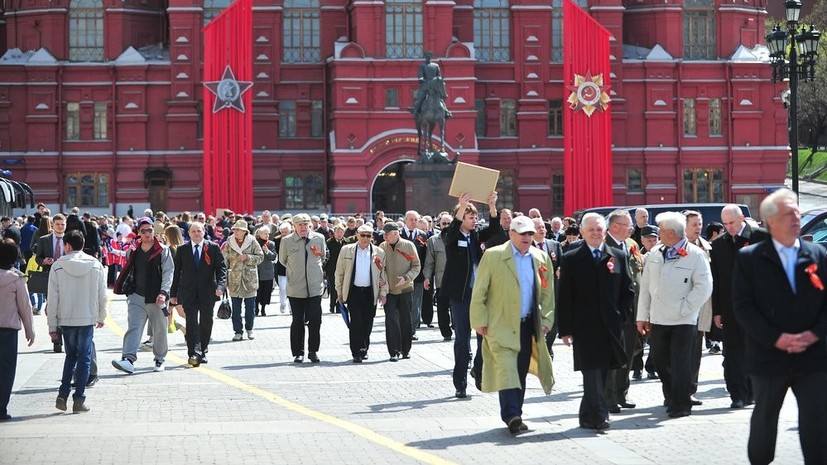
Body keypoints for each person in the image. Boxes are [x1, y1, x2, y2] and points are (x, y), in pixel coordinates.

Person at [732, 188, 827, 465]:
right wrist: (776, 338)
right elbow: (743, 307)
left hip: (813, 355)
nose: (796, 218)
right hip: (769, 355)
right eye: (789, 214)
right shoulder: (750, 258)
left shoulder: (818, 254)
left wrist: (815, 334)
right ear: (771, 221)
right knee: (764, 419)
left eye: (797, 212)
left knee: (818, 421)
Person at [470, 215, 555, 435]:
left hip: (528, 325)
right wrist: (479, 320)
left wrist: (546, 319)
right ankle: (511, 415)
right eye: (522, 233)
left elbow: (547, 293)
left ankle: (516, 410)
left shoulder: (541, 258)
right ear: (511, 234)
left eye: (530, 233)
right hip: (500, 324)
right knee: (507, 369)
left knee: (520, 370)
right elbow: (480, 290)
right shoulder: (494, 256)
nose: (527, 237)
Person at [558, 213, 634, 431]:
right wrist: (565, 329)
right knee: (590, 370)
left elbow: (627, 290)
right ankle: (601, 415)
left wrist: (621, 314)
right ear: (581, 232)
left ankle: (586, 415)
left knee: (602, 371)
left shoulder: (618, 255)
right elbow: (565, 296)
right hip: (585, 327)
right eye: (591, 229)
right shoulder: (572, 258)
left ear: (606, 231)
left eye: (599, 229)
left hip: (611, 326)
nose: (596, 233)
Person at [636, 212, 712, 418]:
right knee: (660, 360)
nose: (658, 234)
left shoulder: (696, 255)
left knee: (681, 363)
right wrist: (642, 316)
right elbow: (645, 288)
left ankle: (681, 403)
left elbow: (704, 287)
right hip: (658, 318)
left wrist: (685, 308)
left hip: (683, 320)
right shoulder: (655, 254)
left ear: (670, 233)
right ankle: (672, 394)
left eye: (660, 230)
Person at [442, 192, 501, 397]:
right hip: (460, 295)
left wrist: (493, 207)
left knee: (483, 337)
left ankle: (478, 368)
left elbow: (495, 229)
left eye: (475, 217)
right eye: (470, 217)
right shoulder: (451, 236)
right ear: (461, 218)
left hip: (479, 295)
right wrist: (461, 207)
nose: (474, 221)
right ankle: (460, 383)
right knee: (462, 339)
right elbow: (449, 233)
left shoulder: (476, 235)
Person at [710, 204, 769, 409]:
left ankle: (754, 391)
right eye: (725, 224)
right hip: (730, 307)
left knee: (754, 349)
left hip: (757, 307)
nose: (729, 228)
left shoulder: (760, 237)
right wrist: (717, 311)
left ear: (742, 218)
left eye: (732, 223)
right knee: (733, 353)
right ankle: (737, 393)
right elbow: (716, 280)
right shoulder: (718, 245)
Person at [47, 230, 107, 413]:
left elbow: (53, 299)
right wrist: (101, 316)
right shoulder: (95, 264)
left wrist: (52, 325)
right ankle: (79, 399)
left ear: (67, 245)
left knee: (70, 356)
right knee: (84, 358)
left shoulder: (57, 266)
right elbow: (102, 295)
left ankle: (63, 393)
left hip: (66, 318)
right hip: (87, 317)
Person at [112, 217, 174, 374]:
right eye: (143, 231)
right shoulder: (133, 250)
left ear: (154, 230)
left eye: (150, 230)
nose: (147, 233)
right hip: (136, 296)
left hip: (157, 297)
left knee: (160, 329)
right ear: (138, 233)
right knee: (134, 328)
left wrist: (163, 292)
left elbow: (168, 273)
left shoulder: (163, 250)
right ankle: (128, 359)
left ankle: (160, 359)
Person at [170, 221, 227, 367]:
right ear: (188, 233)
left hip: (208, 291)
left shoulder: (212, 247)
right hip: (188, 292)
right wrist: (173, 293)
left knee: (206, 321)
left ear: (203, 232)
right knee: (191, 322)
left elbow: (221, 269)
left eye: (199, 231)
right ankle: (193, 353)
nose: (196, 233)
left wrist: (221, 286)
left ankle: (203, 349)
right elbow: (176, 273)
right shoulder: (182, 249)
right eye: (193, 231)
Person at [602, 209, 642, 414]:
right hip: (614, 311)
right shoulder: (604, 247)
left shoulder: (630, 245)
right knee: (613, 356)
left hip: (633, 309)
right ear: (615, 226)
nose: (632, 228)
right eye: (628, 225)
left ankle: (622, 393)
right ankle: (609, 397)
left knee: (628, 355)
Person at [335, 224, 389, 363]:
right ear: (357, 235)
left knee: (368, 323)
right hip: (354, 291)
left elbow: (383, 275)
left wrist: (383, 293)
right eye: (363, 235)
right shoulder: (346, 250)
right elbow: (339, 272)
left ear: (372, 237)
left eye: (368, 236)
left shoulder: (379, 252)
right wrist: (339, 291)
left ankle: (364, 348)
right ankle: (356, 351)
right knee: (356, 323)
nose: (365, 238)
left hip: (370, 292)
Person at [279, 213, 327, 363]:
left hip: (314, 287)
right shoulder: (287, 241)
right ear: (294, 226)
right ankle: (298, 352)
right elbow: (283, 260)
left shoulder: (319, 238)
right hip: (296, 288)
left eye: (306, 224)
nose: (303, 227)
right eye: (300, 225)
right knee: (298, 321)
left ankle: (313, 351)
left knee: (315, 320)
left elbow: (323, 257)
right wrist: (296, 272)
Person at [0, 239, 35, 421]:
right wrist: (30, 331)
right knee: (6, 371)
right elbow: (25, 307)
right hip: (8, 330)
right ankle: (1, 409)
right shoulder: (17, 279)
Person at [377, 222, 421, 362]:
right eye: (383, 233)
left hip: (405, 289)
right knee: (391, 321)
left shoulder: (408, 246)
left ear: (395, 233)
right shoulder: (382, 247)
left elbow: (416, 265)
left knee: (405, 320)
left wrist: (406, 278)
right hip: (389, 291)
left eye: (387, 234)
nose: (384, 236)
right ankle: (394, 351)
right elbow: (378, 267)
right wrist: (381, 283)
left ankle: (405, 350)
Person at [684, 210, 713, 405]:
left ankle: (690, 390)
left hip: (701, 309)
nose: (698, 228)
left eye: (700, 224)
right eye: (694, 224)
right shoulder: (674, 248)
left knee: (695, 351)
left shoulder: (707, 247)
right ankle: (673, 391)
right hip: (680, 309)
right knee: (676, 353)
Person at [222, 220, 264, 342]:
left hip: (249, 279)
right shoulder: (229, 242)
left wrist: (248, 257)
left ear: (244, 231)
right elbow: (223, 260)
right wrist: (223, 279)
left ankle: (249, 329)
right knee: (236, 309)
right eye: (235, 229)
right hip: (234, 278)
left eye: (238, 230)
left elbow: (260, 257)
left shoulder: (252, 241)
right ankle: (238, 332)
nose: (236, 232)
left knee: (250, 308)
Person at [34, 213, 67, 353]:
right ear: (52, 225)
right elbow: (37, 257)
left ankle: (66, 336)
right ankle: (56, 339)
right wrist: (43, 261)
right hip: (50, 278)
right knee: (53, 309)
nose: (60, 226)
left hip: (67, 278)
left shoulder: (70, 238)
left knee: (65, 309)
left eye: (62, 224)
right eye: (58, 224)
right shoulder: (44, 240)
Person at [424, 214, 452, 341]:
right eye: (443, 223)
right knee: (442, 309)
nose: (446, 226)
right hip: (441, 281)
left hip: (458, 281)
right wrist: (427, 277)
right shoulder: (433, 240)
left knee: (457, 309)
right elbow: (429, 261)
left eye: (448, 223)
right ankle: (446, 332)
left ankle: (457, 326)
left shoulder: (459, 238)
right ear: (439, 225)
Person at [401, 210, 427, 339]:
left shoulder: (422, 235)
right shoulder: (399, 234)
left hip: (418, 276)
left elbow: (426, 257)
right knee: (404, 303)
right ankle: (403, 328)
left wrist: (426, 275)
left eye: (416, 220)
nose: (413, 222)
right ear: (405, 220)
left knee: (416, 303)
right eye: (411, 219)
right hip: (401, 275)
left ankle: (412, 330)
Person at [413, 51, 452, 119]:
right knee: (420, 98)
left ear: (431, 57)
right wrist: (421, 79)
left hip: (434, 87)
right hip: (425, 86)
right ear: (425, 57)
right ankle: (416, 112)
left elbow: (438, 76)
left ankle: (446, 111)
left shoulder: (435, 66)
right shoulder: (422, 66)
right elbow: (420, 74)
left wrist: (440, 81)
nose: (428, 58)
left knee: (441, 98)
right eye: (427, 57)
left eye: (429, 57)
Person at [254, 227, 276, 317]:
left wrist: (267, 251)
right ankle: (256, 308)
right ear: (260, 234)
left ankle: (263, 308)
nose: (267, 235)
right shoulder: (254, 243)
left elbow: (273, 257)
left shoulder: (271, 244)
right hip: (256, 271)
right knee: (256, 291)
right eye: (265, 233)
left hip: (267, 272)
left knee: (266, 291)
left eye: (268, 234)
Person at [325, 224, 347, 313]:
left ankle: (339, 307)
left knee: (342, 288)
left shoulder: (346, 243)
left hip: (344, 269)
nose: (339, 234)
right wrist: (325, 269)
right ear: (334, 232)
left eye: (341, 232)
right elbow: (326, 257)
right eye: (337, 232)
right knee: (334, 289)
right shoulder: (329, 242)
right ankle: (332, 306)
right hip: (332, 269)